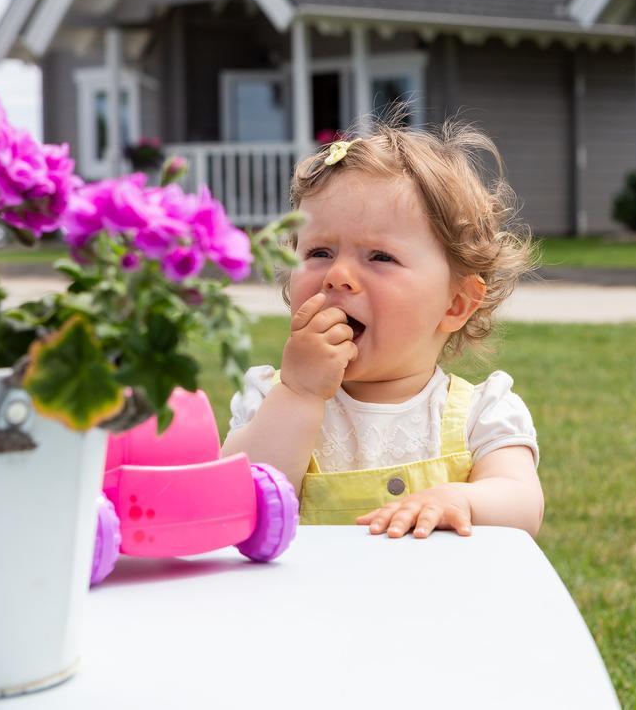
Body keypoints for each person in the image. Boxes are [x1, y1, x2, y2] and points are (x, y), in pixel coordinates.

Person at [221, 121, 543, 539]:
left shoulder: (481, 414)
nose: (337, 275)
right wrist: (299, 394)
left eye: (379, 256)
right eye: (319, 252)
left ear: (456, 303)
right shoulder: (270, 401)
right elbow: (234, 501)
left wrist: (461, 500)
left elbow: (522, 503)